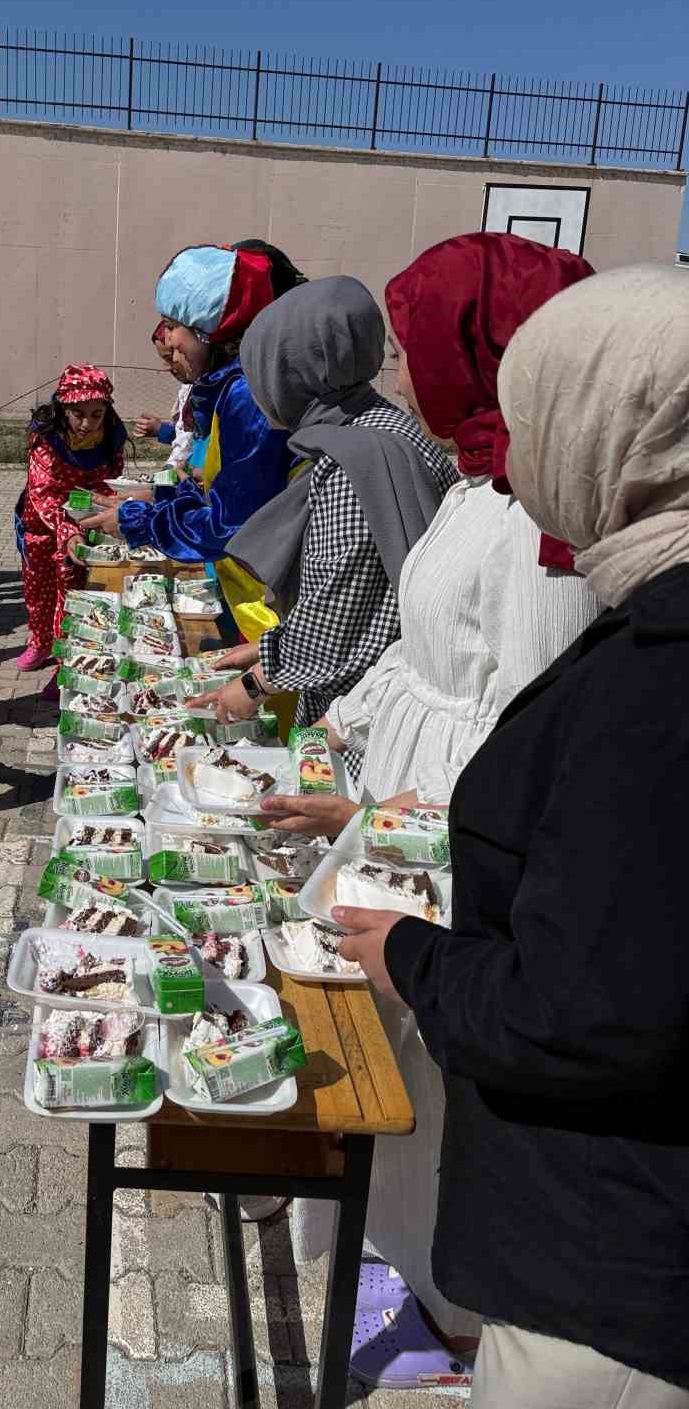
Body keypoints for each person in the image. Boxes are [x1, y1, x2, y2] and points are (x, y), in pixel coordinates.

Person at [340, 264, 689, 1409]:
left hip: (612, 1275)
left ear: (612, 433)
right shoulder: (645, 612)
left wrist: (410, 955)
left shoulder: (657, 679)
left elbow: (578, 1005)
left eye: (540, 411)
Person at [253, 234, 602, 1372]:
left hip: (447, 829)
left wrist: (389, 820)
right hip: (396, 801)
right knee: (381, 1050)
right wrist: (342, 748)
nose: (396, 369)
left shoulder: (544, 525)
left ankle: (448, 1308)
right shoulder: (476, 482)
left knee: (426, 1064)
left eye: (415, 346)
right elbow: (415, 645)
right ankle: (394, 1258)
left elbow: (520, 728)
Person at [193, 277, 456, 739]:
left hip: (360, 715)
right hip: (368, 695)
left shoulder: (354, 461)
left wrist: (254, 684)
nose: (257, 396)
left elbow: (337, 612)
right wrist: (268, 647)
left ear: (293, 374)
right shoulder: (381, 428)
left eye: (262, 374)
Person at [86, 240, 306, 641]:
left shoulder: (246, 394)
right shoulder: (234, 387)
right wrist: (157, 499)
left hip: (265, 609)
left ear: (207, 330)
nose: (167, 342)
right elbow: (231, 492)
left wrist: (135, 521)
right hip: (248, 591)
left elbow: (231, 525)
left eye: (173, 326)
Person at [16, 364, 127, 674]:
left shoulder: (111, 436)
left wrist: (104, 504)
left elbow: (111, 479)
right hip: (43, 523)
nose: (87, 423)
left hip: (85, 523)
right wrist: (65, 529)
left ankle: (65, 664)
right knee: (38, 587)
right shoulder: (46, 437)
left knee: (73, 592)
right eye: (78, 414)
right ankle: (39, 641)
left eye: (96, 414)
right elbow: (44, 493)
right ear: (63, 408)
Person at [134, 322, 194, 475]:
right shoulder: (187, 389)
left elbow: (193, 443)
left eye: (170, 358)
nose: (167, 366)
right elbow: (184, 436)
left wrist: (170, 474)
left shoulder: (208, 392)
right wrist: (161, 429)